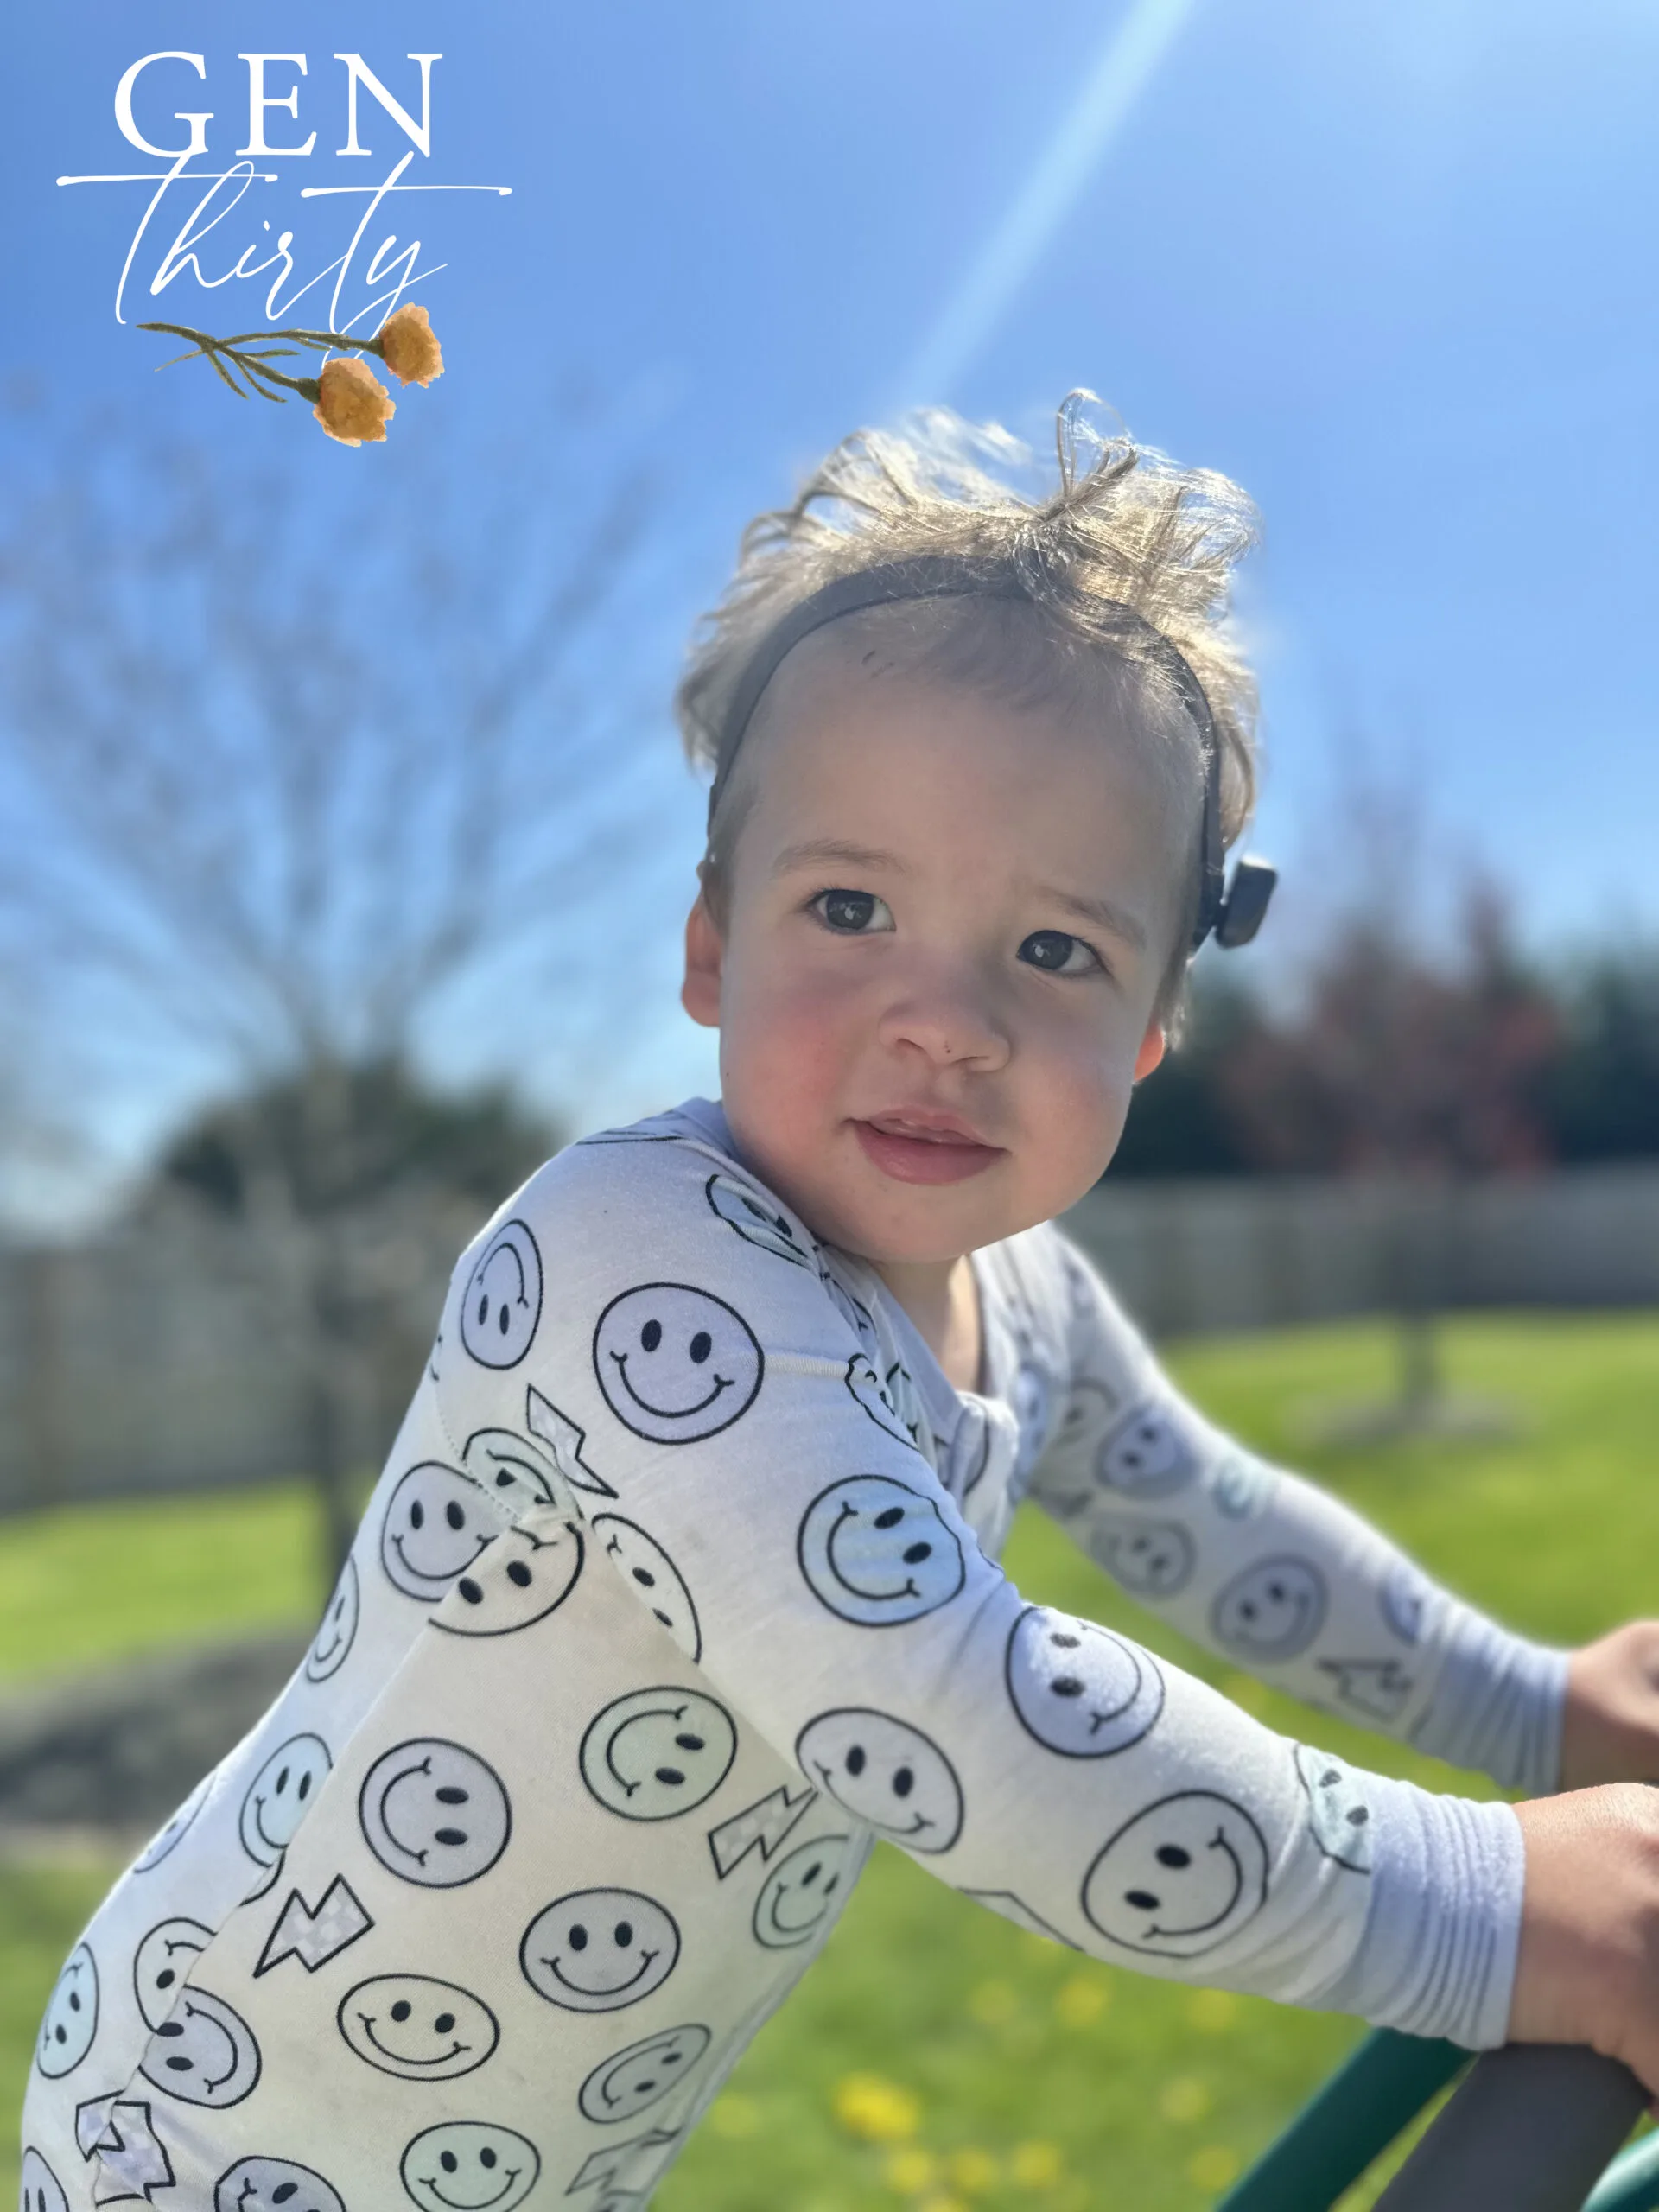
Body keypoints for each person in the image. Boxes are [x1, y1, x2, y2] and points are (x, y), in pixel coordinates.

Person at [20, 398, 1659, 2212]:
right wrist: (1501, 1910)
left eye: (1054, 948)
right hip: (208, 2135)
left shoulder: (1021, 1295)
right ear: (711, 947)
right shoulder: (638, 1261)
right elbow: (969, 1721)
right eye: (853, 904)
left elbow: (1228, 1533)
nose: (944, 1017)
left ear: (1148, 1029)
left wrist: (1541, 1709)